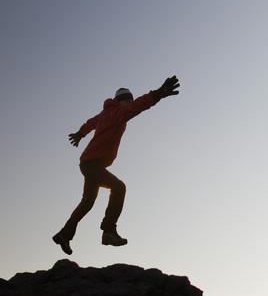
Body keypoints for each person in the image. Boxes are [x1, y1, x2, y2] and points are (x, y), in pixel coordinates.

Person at [52, 76, 180, 254]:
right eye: (127, 101)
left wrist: (80, 134)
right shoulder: (119, 113)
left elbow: (92, 122)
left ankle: (64, 234)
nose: (130, 104)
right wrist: (159, 93)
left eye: (130, 101)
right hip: (92, 164)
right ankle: (108, 231)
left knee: (88, 201)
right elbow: (139, 106)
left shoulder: (105, 114)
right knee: (119, 188)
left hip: (89, 163)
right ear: (120, 102)